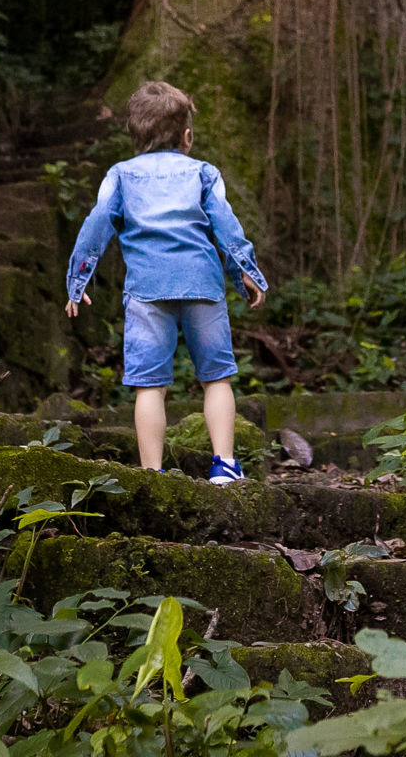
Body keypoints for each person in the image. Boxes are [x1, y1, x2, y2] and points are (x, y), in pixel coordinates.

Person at [64, 81, 267, 484]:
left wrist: (78, 278)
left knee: (149, 386)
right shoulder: (204, 173)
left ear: (134, 135)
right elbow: (225, 225)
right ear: (187, 136)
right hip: (201, 285)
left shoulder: (119, 175)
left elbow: (96, 225)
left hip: (146, 290)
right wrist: (245, 270)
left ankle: (151, 472)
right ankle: (224, 464)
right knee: (216, 377)